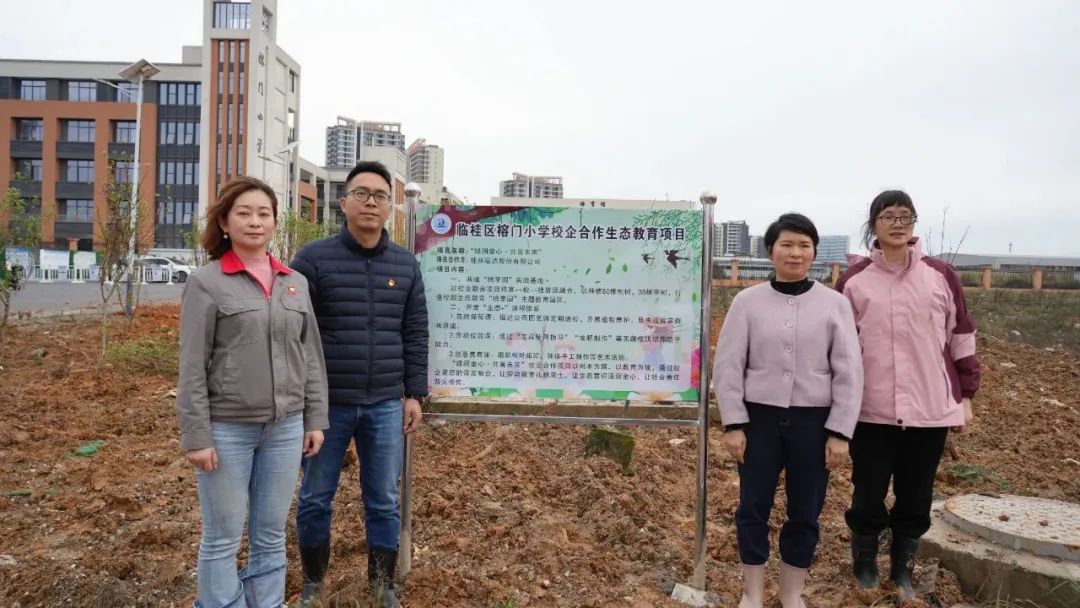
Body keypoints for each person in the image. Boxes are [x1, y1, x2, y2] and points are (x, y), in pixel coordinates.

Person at [176, 176, 328, 608]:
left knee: (270, 534)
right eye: (244, 213)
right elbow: (192, 366)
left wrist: (315, 419)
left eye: (264, 213)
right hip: (228, 429)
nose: (255, 222)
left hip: (285, 428)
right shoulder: (207, 283)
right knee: (222, 536)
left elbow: (310, 356)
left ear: (275, 222)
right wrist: (197, 436)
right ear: (224, 222)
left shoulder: (294, 282)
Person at [291, 161, 428, 608]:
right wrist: (301, 397)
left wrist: (414, 393)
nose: (371, 202)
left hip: (385, 403)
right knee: (315, 497)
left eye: (380, 196)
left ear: (390, 208)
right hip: (325, 405)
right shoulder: (312, 259)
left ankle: (382, 586)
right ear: (344, 202)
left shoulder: (405, 265)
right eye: (362, 194)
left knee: (383, 499)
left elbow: (415, 331)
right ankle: (313, 583)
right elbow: (293, 331)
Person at [713, 213, 863, 608]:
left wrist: (840, 431)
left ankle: (792, 594)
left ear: (814, 252)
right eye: (787, 244)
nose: (795, 253)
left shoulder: (834, 304)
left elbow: (849, 371)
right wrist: (733, 423)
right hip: (758, 420)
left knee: (805, 511)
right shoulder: (747, 302)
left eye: (804, 245)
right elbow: (728, 365)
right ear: (771, 251)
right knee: (752, 506)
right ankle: (752, 593)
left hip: (813, 422)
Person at [837, 190, 979, 601]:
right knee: (868, 492)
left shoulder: (941, 275)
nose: (898, 223)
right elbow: (839, 347)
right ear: (873, 225)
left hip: (929, 407)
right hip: (871, 410)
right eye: (888, 216)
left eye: (905, 216)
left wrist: (966, 395)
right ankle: (865, 565)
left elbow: (961, 335)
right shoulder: (854, 281)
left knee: (916, 496)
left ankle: (903, 569)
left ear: (914, 222)